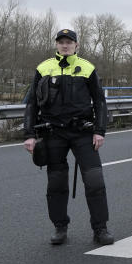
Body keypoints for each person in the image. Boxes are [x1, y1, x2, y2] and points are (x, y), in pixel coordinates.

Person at [23, 28, 114, 246]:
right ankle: (60, 227)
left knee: (94, 182)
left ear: (76, 45)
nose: (65, 45)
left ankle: (100, 229)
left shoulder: (87, 68)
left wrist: (99, 131)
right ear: (56, 44)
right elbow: (32, 103)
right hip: (53, 133)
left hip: (83, 132)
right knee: (56, 183)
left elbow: (100, 102)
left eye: (69, 42)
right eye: (61, 42)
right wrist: (29, 135)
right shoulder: (43, 68)